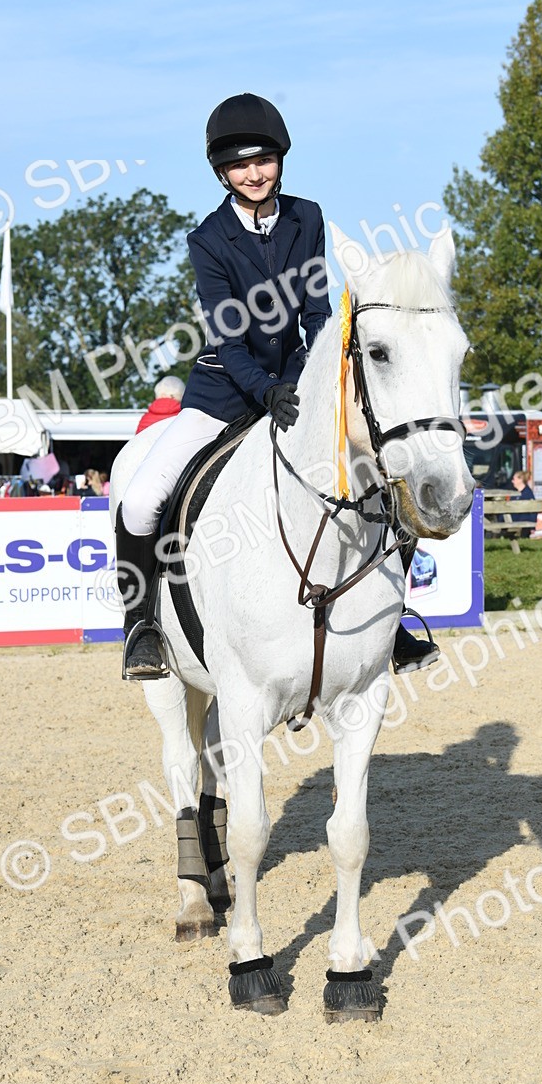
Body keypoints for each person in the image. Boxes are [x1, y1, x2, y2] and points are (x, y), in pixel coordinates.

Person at [116, 92, 437, 680]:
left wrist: (299, 382)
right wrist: (264, 391)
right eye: (240, 165)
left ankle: (394, 620)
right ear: (222, 173)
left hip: (301, 384)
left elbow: (316, 312)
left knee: (383, 468)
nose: (254, 173)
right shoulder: (208, 240)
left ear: (280, 159)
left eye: (262, 160)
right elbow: (226, 337)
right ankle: (143, 628)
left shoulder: (306, 217)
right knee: (139, 501)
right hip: (224, 390)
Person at [509, 469, 536, 537]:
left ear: (520, 480)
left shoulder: (528, 494)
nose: (512, 481)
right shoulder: (514, 494)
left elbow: (533, 511)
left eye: (514, 479)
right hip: (512, 521)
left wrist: (532, 526)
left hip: (524, 524)